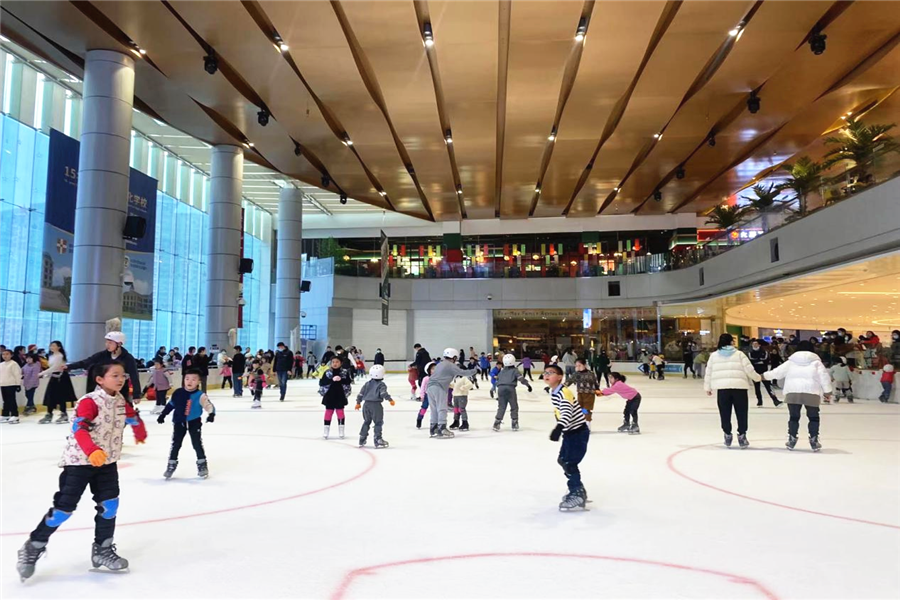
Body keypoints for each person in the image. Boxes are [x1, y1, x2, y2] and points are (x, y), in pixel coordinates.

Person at [16, 363, 147, 581]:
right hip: (79, 462)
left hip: (106, 462)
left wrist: (139, 428)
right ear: (100, 380)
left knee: (110, 505)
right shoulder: (90, 401)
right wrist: (91, 450)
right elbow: (79, 428)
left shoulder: (120, 401)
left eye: (122, 375)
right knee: (63, 510)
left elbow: (131, 415)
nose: (120, 379)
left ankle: (102, 549)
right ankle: (34, 545)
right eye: (114, 375)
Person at [762, 340, 832, 451]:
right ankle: (814, 439)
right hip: (811, 392)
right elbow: (824, 377)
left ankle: (792, 438)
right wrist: (827, 391)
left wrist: (764, 376)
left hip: (793, 392)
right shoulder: (816, 362)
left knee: (793, 417)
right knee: (813, 417)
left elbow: (777, 372)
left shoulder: (791, 362)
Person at [543, 364, 590, 511]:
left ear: (559, 377)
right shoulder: (555, 391)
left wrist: (558, 428)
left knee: (569, 462)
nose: (546, 375)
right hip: (570, 432)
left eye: (551, 372)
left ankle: (577, 493)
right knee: (563, 460)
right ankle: (578, 489)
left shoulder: (564, 393)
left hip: (578, 432)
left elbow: (567, 412)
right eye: (545, 372)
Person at [704, 333, 761, 449]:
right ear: (731, 342)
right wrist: (757, 378)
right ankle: (742, 435)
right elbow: (749, 369)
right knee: (742, 412)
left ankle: (727, 434)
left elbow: (708, 372)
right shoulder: (739, 354)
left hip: (723, 389)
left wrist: (708, 387)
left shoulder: (714, 356)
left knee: (724, 413)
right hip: (739, 389)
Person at [157, 369, 216, 479]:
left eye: (194, 379)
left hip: (194, 422)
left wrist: (211, 414)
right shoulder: (178, 393)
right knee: (176, 444)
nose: (190, 381)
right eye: (187, 379)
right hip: (179, 422)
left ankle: (202, 464)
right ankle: (171, 464)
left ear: (198, 381)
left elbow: (209, 405)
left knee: (197, 443)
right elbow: (171, 404)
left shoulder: (200, 395)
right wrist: (163, 414)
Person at [66, 332, 142, 405]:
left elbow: (134, 376)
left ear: (119, 344)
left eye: (110, 343)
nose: (107, 345)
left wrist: (136, 395)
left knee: (123, 408)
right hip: (103, 389)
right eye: (107, 342)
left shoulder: (128, 358)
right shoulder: (102, 355)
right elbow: (86, 362)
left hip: (120, 389)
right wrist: (69, 367)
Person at [427, 348, 478, 438]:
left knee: (434, 408)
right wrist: (475, 371)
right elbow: (462, 372)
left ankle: (433, 428)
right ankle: (442, 428)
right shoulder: (450, 365)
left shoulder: (440, 364)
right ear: (453, 357)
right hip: (439, 387)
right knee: (442, 408)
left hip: (430, 387)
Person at [355, 365, 394, 448]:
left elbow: (361, 394)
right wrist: (390, 399)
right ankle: (378, 438)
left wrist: (358, 403)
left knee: (366, 421)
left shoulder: (367, 384)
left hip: (366, 405)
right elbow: (383, 393)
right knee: (378, 422)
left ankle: (362, 437)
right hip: (376, 405)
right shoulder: (381, 384)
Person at [493, 353, 533, 432]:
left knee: (501, 407)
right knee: (514, 406)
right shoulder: (515, 370)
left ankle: (497, 423)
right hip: (510, 388)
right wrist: (528, 385)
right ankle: (514, 422)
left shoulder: (501, 371)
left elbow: (497, 380)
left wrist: (495, 389)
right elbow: (521, 379)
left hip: (500, 389)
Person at [319, 356, 351, 439]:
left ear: (341, 363)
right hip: (329, 395)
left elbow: (348, 382)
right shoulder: (327, 372)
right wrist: (331, 380)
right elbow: (322, 383)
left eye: (337, 362)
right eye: (333, 362)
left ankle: (341, 430)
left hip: (340, 395)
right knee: (328, 412)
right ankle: (326, 431)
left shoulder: (344, 372)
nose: (335, 364)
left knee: (340, 412)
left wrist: (341, 380)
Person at [749, 340, 781, 407]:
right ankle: (759, 401)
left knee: (769, 387)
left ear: (759, 345)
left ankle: (775, 400)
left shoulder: (764, 352)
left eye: (756, 344)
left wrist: (757, 361)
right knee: (757, 388)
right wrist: (759, 361)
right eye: (753, 344)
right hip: (755, 372)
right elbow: (751, 361)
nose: (754, 345)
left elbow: (766, 360)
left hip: (764, 372)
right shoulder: (750, 353)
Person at [1, 348, 23, 424]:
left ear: (11, 355)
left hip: (11, 384)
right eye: (3, 354)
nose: (5, 356)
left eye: (7, 354)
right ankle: (5, 414)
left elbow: (17, 375)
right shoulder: (1, 364)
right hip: (3, 384)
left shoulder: (14, 364)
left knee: (11, 400)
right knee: (5, 400)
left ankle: (15, 414)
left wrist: (18, 384)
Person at [416, 362, 435, 429]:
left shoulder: (439, 378)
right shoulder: (426, 378)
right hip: (427, 395)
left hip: (436, 396)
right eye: (433, 369)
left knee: (435, 409)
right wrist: (422, 395)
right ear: (428, 370)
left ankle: (435, 422)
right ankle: (419, 419)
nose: (434, 370)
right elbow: (422, 387)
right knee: (424, 407)